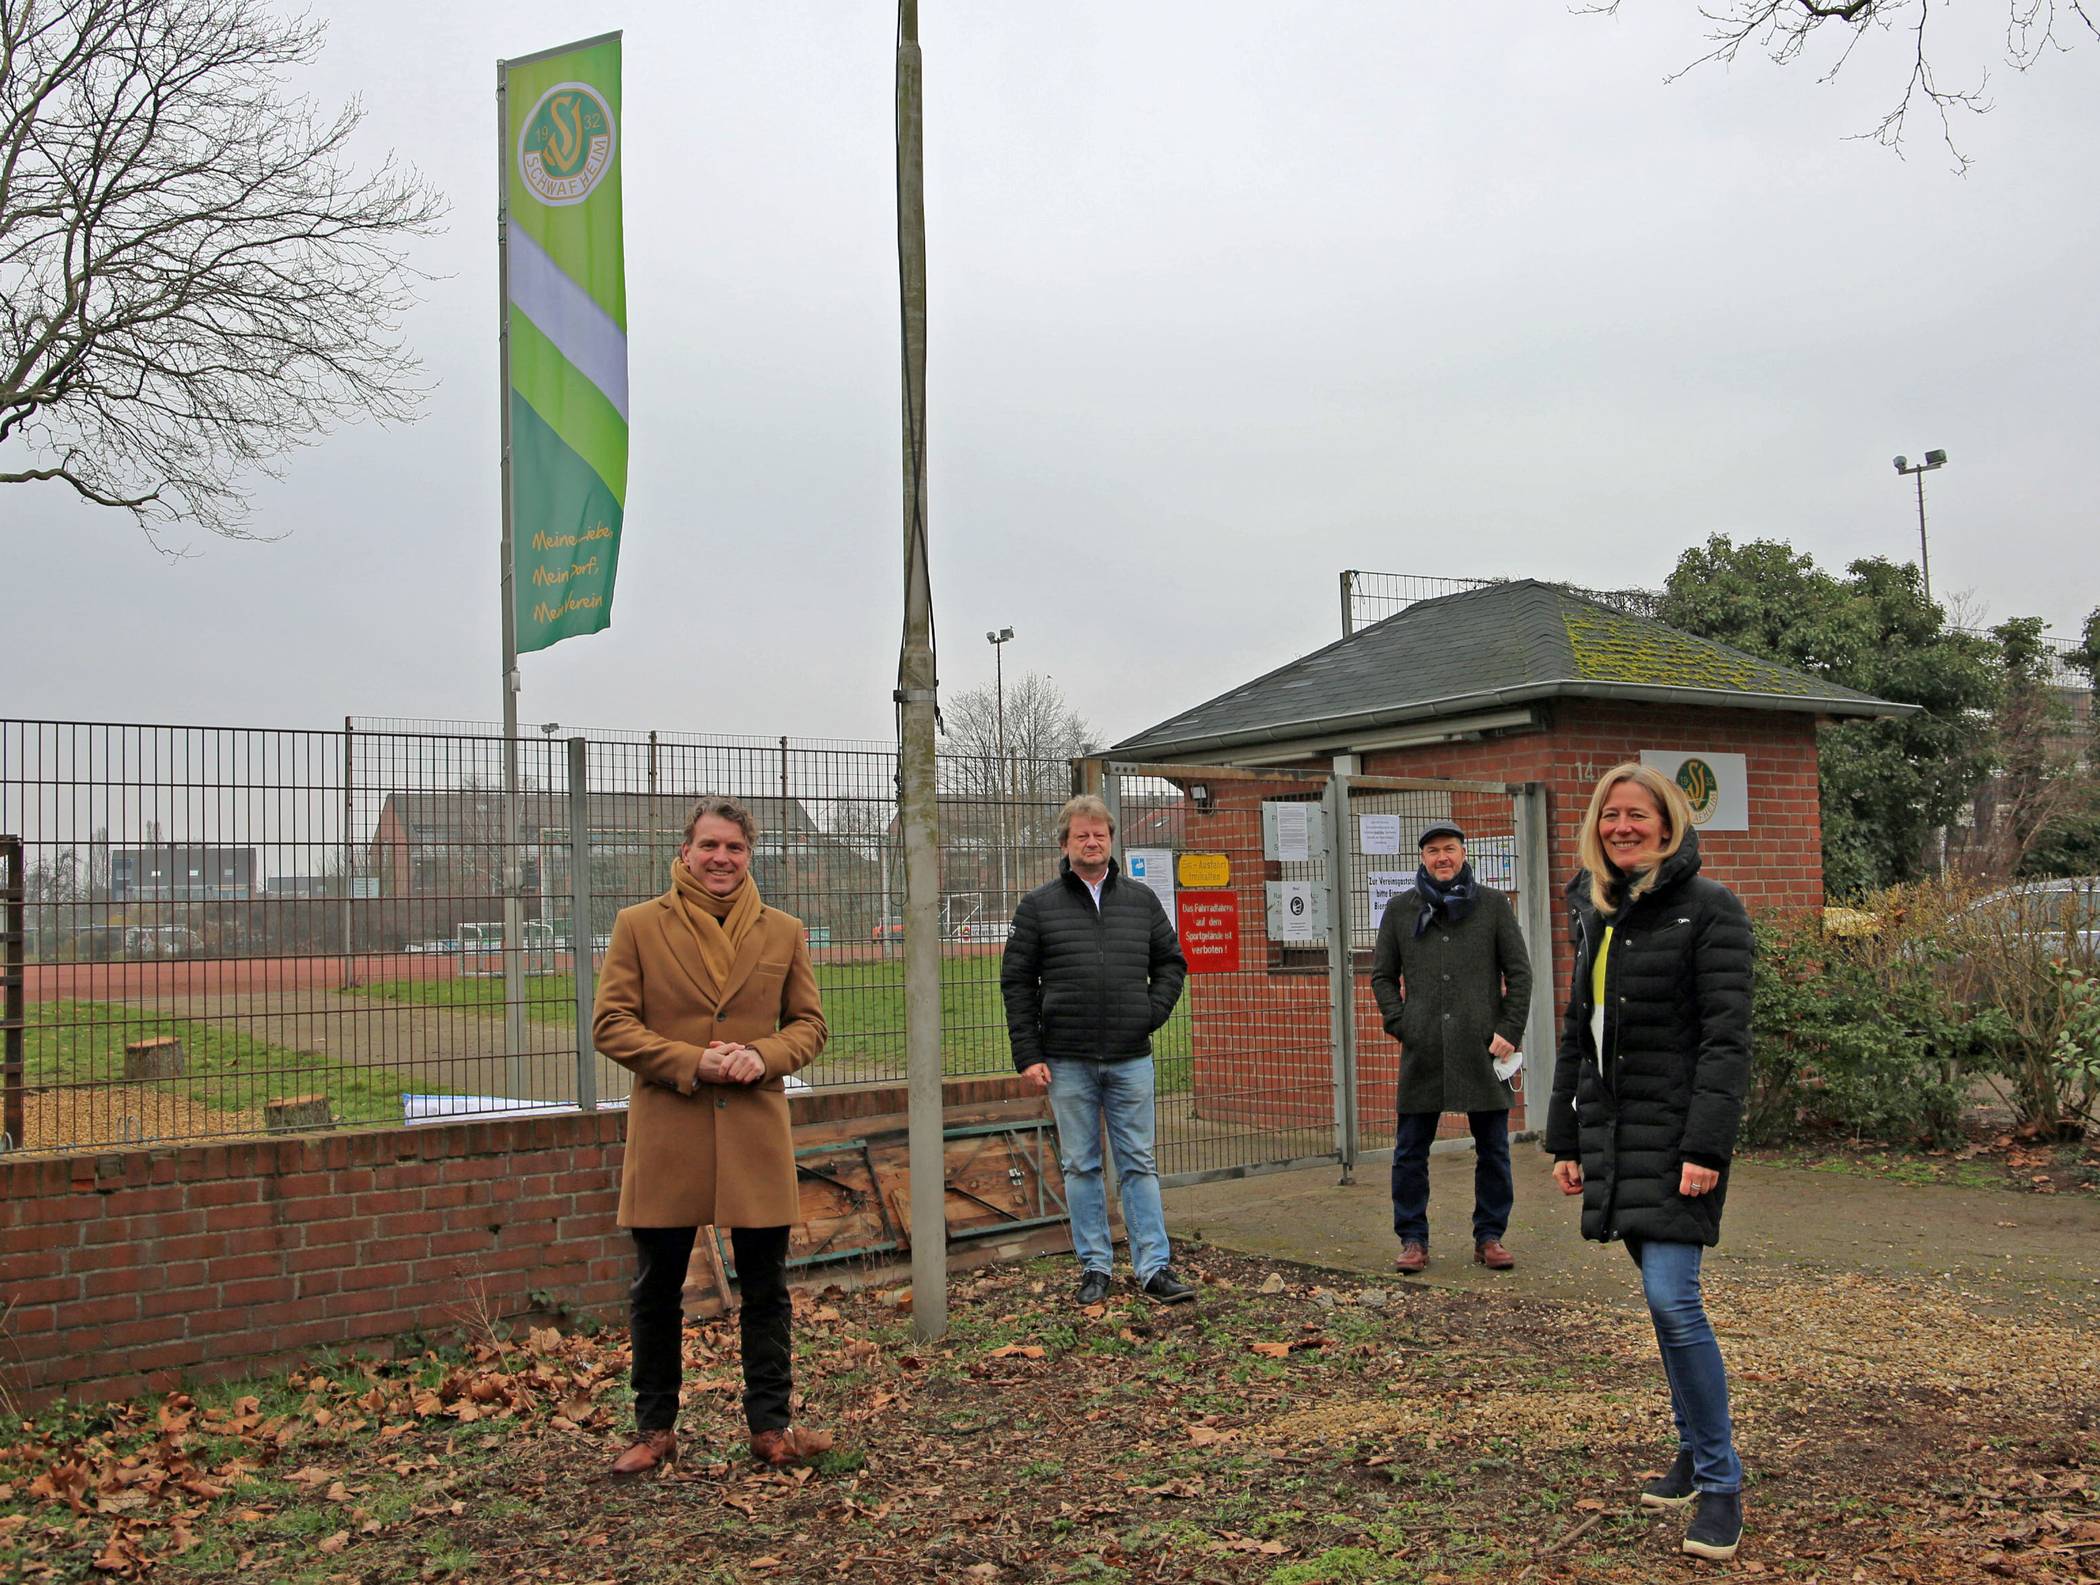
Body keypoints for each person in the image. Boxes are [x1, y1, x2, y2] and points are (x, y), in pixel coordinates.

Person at [1546, 763, 1753, 1562]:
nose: (1621, 827)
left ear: (1668, 824)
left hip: (1678, 1141)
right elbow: (1579, 1031)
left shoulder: (1711, 911)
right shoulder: (1599, 914)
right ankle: (1695, 1451)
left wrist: (1706, 1147)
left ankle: (1722, 1480)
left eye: (1637, 815)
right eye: (1609, 816)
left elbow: (1726, 1042)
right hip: (1613, 1134)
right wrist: (1565, 1137)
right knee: (1661, 1304)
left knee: (1674, 1300)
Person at [593, 796, 831, 1477]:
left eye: (734, 847)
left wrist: (766, 1054)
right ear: (687, 850)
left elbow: (809, 1025)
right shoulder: (638, 925)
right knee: (657, 1286)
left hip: (754, 1130)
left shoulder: (784, 931)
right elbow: (611, 1023)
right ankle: (654, 1427)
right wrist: (689, 1061)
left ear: (748, 855)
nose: (721, 858)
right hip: (671, 1127)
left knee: (766, 1286)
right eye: (709, 846)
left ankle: (771, 1425)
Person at [1001, 794, 1194, 1307]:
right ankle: (1095, 1266)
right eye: (1081, 835)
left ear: (1111, 840)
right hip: (1067, 1059)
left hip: (1131, 1057)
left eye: (1100, 834)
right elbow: (1017, 983)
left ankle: (1154, 1266)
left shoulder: (1141, 901)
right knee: (1081, 1165)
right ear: (1065, 845)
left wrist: (1149, 1013)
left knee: (1139, 1163)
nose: (1092, 842)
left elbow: (1172, 963)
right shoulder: (1038, 907)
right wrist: (1029, 1053)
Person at [1369, 820, 1533, 1275]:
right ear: (1422, 858)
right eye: (1433, 851)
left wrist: (1509, 1029)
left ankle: (1490, 1236)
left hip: (1481, 1048)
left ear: (1464, 854)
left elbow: (1520, 974)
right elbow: (1382, 976)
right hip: (1422, 1050)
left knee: (1494, 1149)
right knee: (1409, 1152)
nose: (1443, 857)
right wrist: (1402, 1023)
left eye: (1451, 849)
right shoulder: (1402, 910)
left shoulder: (1493, 906)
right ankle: (1413, 1239)